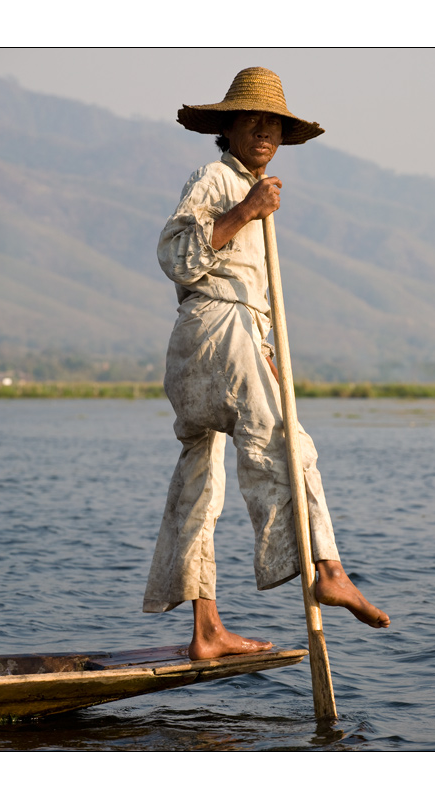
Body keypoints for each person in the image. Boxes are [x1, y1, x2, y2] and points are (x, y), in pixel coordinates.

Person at [143, 67, 390, 660]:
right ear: (226, 128)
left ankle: (206, 630)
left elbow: (251, 288)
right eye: (251, 120)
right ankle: (324, 566)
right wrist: (246, 210)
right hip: (217, 330)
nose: (264, 131)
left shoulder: (247, 184)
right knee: (285, 442)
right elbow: (177, 258)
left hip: (220, 340)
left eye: (273, 123)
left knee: (200, 479)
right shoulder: (215, 178)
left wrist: (268, 350)